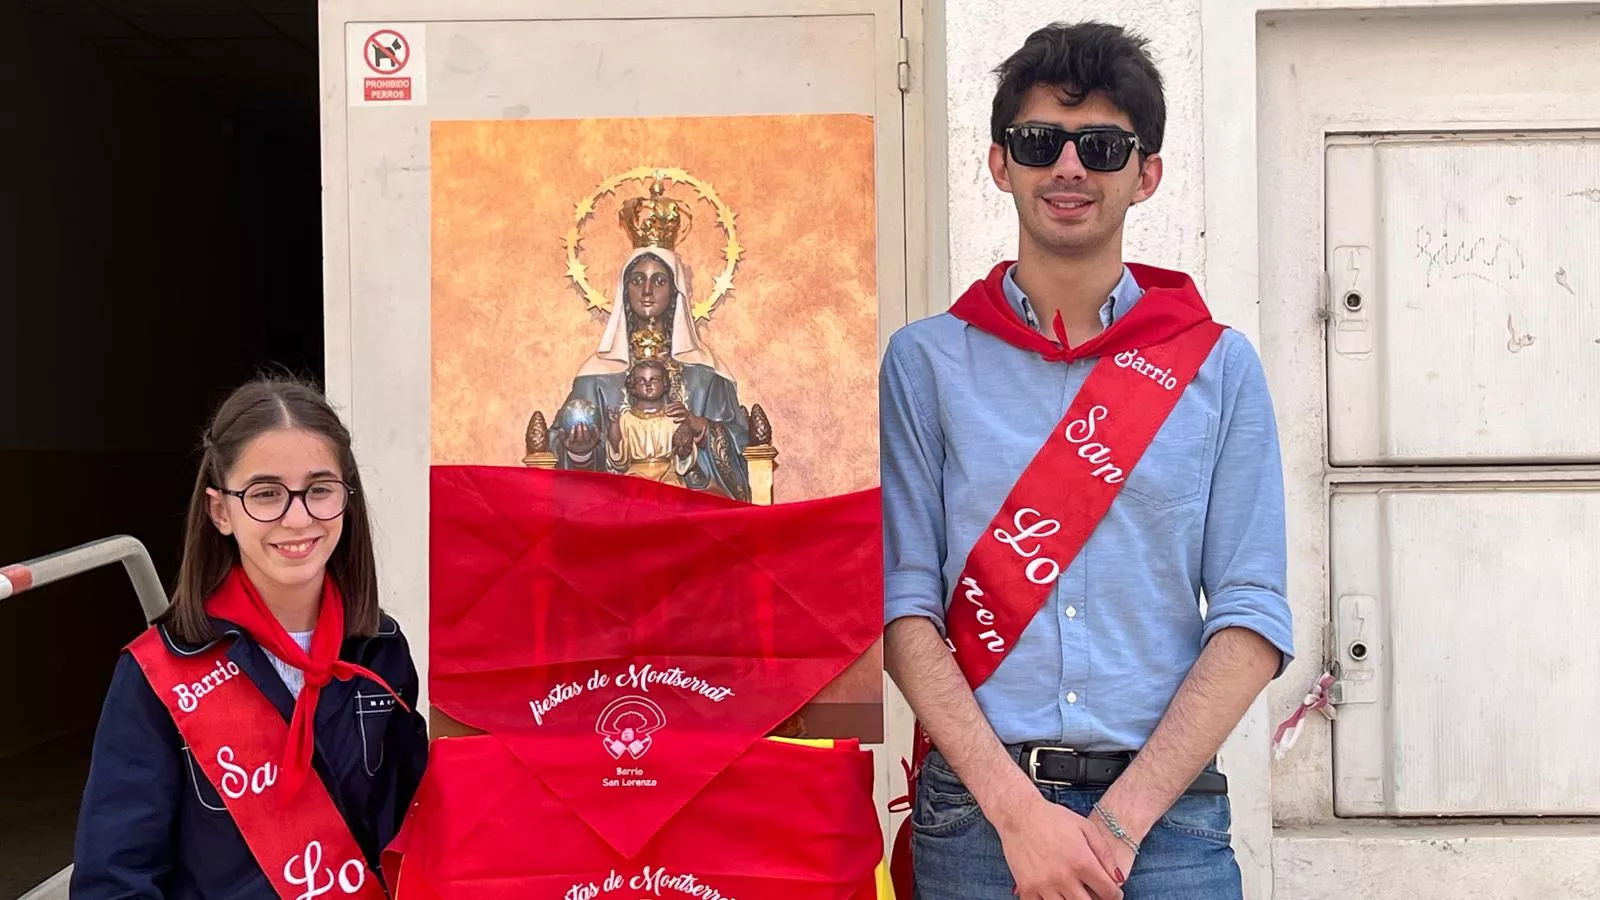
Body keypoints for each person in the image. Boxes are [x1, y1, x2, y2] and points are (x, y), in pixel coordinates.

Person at [881, 22, 1293, 900]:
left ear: (1145, 174)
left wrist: (1116, 824)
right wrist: (1020, 815)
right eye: (1040, 143)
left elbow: (1254, 618)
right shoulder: (926, 364)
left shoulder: (1217, 368)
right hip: (981, 821)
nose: (1069, 168)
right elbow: (904, 608)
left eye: (1101, 147)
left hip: (1169, 825)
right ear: (1001, 163)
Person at [71, 377, 430, 899]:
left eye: (320, 489)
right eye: (265, 493)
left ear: (345, 499)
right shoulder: (157, 676)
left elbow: (416, 828)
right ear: (221, 511)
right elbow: (115, 880)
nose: (298, 516)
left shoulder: (381, 648)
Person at [554, 246, 752, 501]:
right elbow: (556, 447)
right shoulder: (596, 374)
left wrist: (701, 428)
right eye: (637, 280)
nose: (647, 291)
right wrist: (580, 453)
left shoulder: (706, 373)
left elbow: (745, 445)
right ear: (625, 292)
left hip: (690, 504)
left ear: (675, 291)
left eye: (659, 280)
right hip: (617, 506)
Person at [606, 357, 696, 486]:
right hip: (636, 472)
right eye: (641, 381)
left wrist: (684, 448)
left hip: (667, 472)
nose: (648, 384)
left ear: (664, 383)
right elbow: (619, 456)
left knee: (673, 488)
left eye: (654, 379)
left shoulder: (673, 415)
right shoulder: (626, 418)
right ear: (633, 386)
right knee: (630, 490)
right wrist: (614, 425)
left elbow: (683, 451)